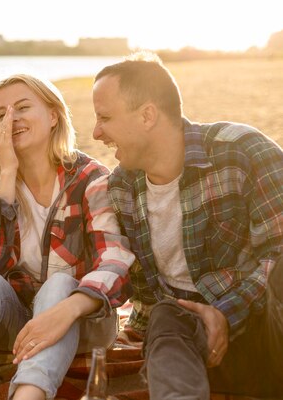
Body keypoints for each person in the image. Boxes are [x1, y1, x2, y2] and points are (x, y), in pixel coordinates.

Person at [0, 73, 135, 400]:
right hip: (15, 325)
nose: (11, 120)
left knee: (60, 283)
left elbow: (116, 261)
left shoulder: (90, 178)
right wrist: (6, 177)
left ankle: (29, 395)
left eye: (21, 108)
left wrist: (68, 309)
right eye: (0, 114)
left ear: (52, 116)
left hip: (80, 320)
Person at [92, 52, 283, 399]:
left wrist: (224, 314)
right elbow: (135, 288)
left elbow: (277, 250)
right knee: (165, 315)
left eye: (105, 118)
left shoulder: (242, 151)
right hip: (187, 342)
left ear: (148, 115)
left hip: (261, 326)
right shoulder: (120, 188)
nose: (96, 132)